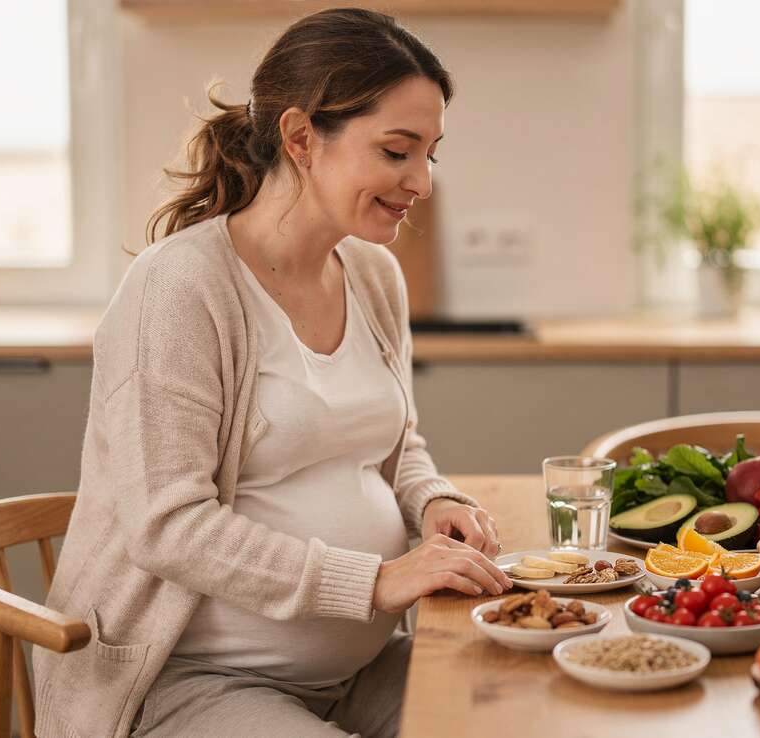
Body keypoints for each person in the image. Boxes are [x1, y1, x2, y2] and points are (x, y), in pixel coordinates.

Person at [32, 8, 509, 737]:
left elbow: (392, 439)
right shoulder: (179, 288)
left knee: (528, 703)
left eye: (430, 154)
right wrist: (375, 581)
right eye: (396, 151)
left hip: (356, 671)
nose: (422, 181)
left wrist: (430, 499)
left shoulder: (373, 273)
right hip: (184, 683)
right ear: (299, 138)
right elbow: (168, 525)